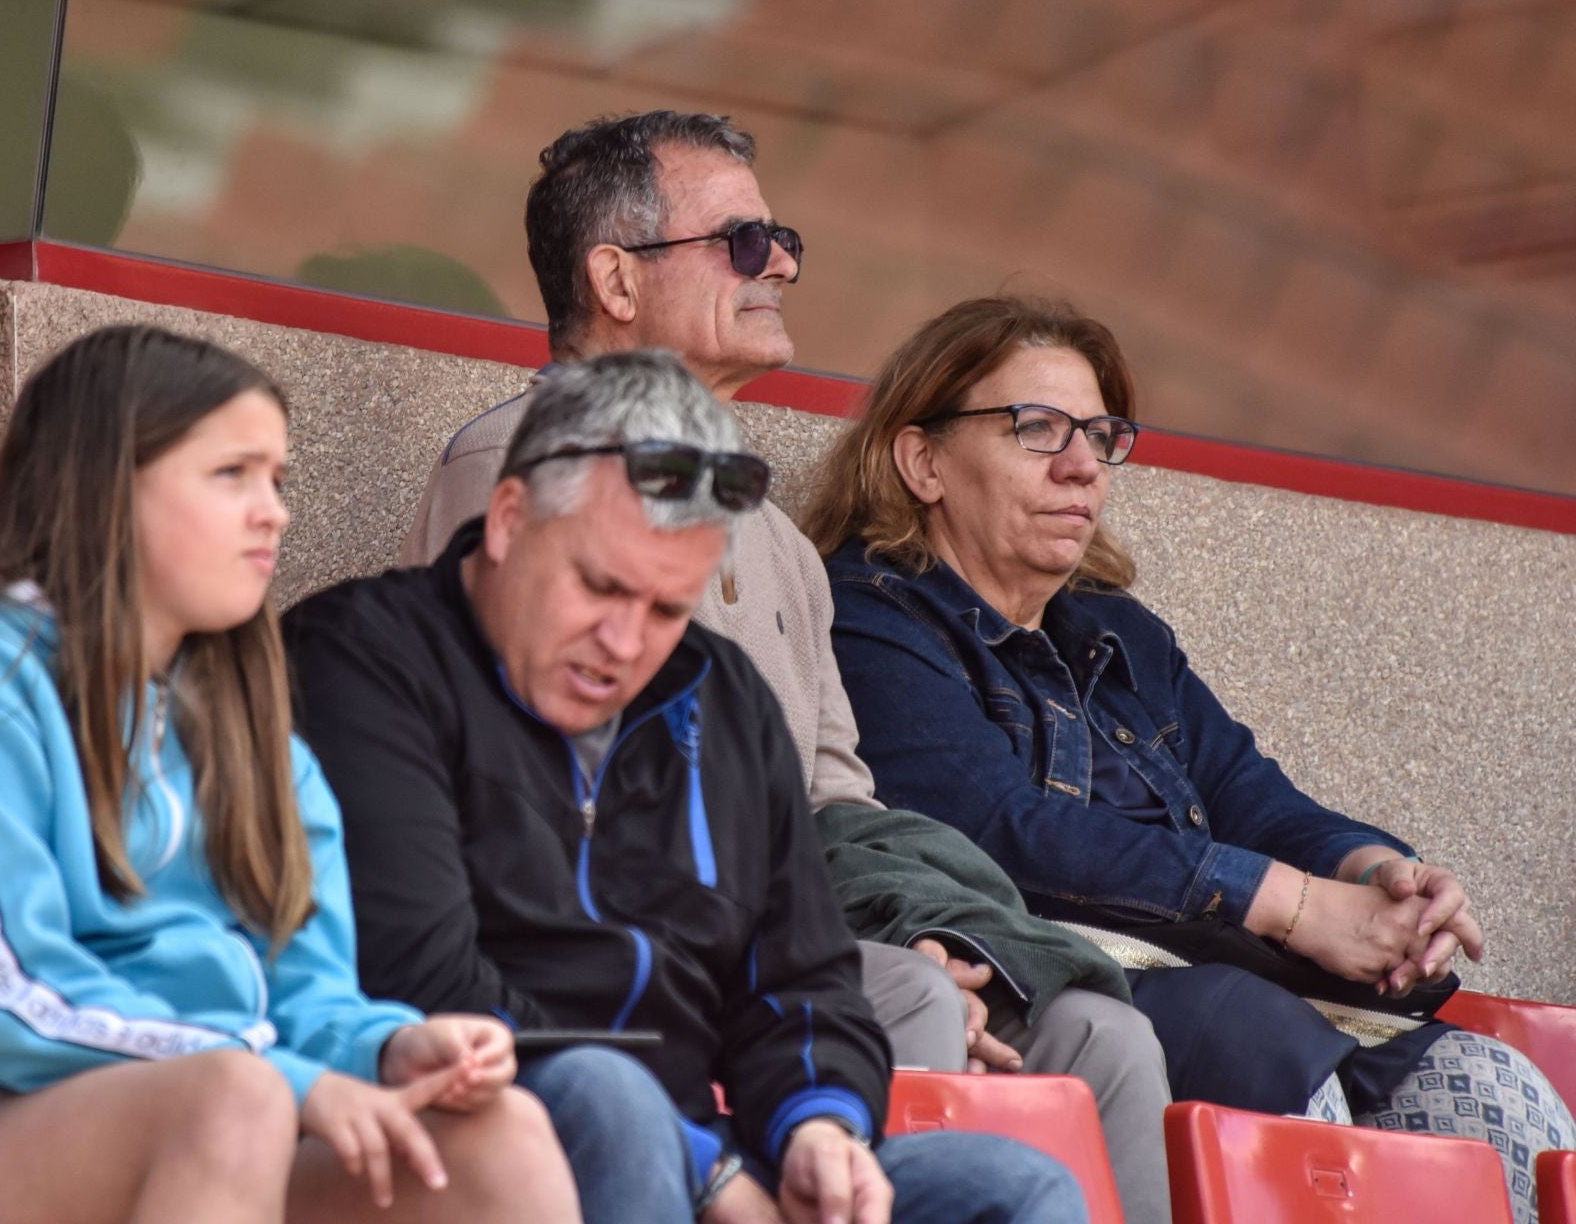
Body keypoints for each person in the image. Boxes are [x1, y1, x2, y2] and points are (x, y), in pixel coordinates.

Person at [401, 108, 1172, 1224]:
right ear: (616, 280)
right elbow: (536, 789)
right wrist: (849, 955)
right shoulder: (524, 468)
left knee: (1102, 1027)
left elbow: (834, 802)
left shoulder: (773, 542)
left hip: (799, 936)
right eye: (747, 244)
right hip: (609, 955)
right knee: (894, 993)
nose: (787, 266)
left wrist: (918, 925)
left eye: (785, 239)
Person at [0, 325, 580, 1224]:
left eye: (279, 479)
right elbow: (10, 996)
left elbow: (307, 992)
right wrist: (285, 1079)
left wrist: (390, 1047)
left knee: (495, 1136)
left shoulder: (254, 736)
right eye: (232, 473)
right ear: (106, 488)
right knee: (234, 1100)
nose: (272, 510)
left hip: (211, 1121)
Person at [804, 294, 1573, 1224]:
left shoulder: (1119, 633)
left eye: (1099, 434)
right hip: (1068, 979)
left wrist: (1377, 875)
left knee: (1494, 1081)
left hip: (1245, 985)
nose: (1083, 464)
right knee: (1261, 1043)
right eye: (1037, 428)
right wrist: (1289, 904)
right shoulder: (869, 614)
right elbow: (1005, 831)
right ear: (922, 458)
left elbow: (1252, 793)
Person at [288, 353, 1088, 1224]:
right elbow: (421, 978)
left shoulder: (721, 695)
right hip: (453, 1128)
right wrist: (701, 1166)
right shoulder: (360, 659)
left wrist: (819, 1126)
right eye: (600, 585)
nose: (626, 643)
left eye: (669, 607)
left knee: (1020, 1187)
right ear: (511, 518)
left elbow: (802, 974)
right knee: (609, 1099)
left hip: (697, 1144)